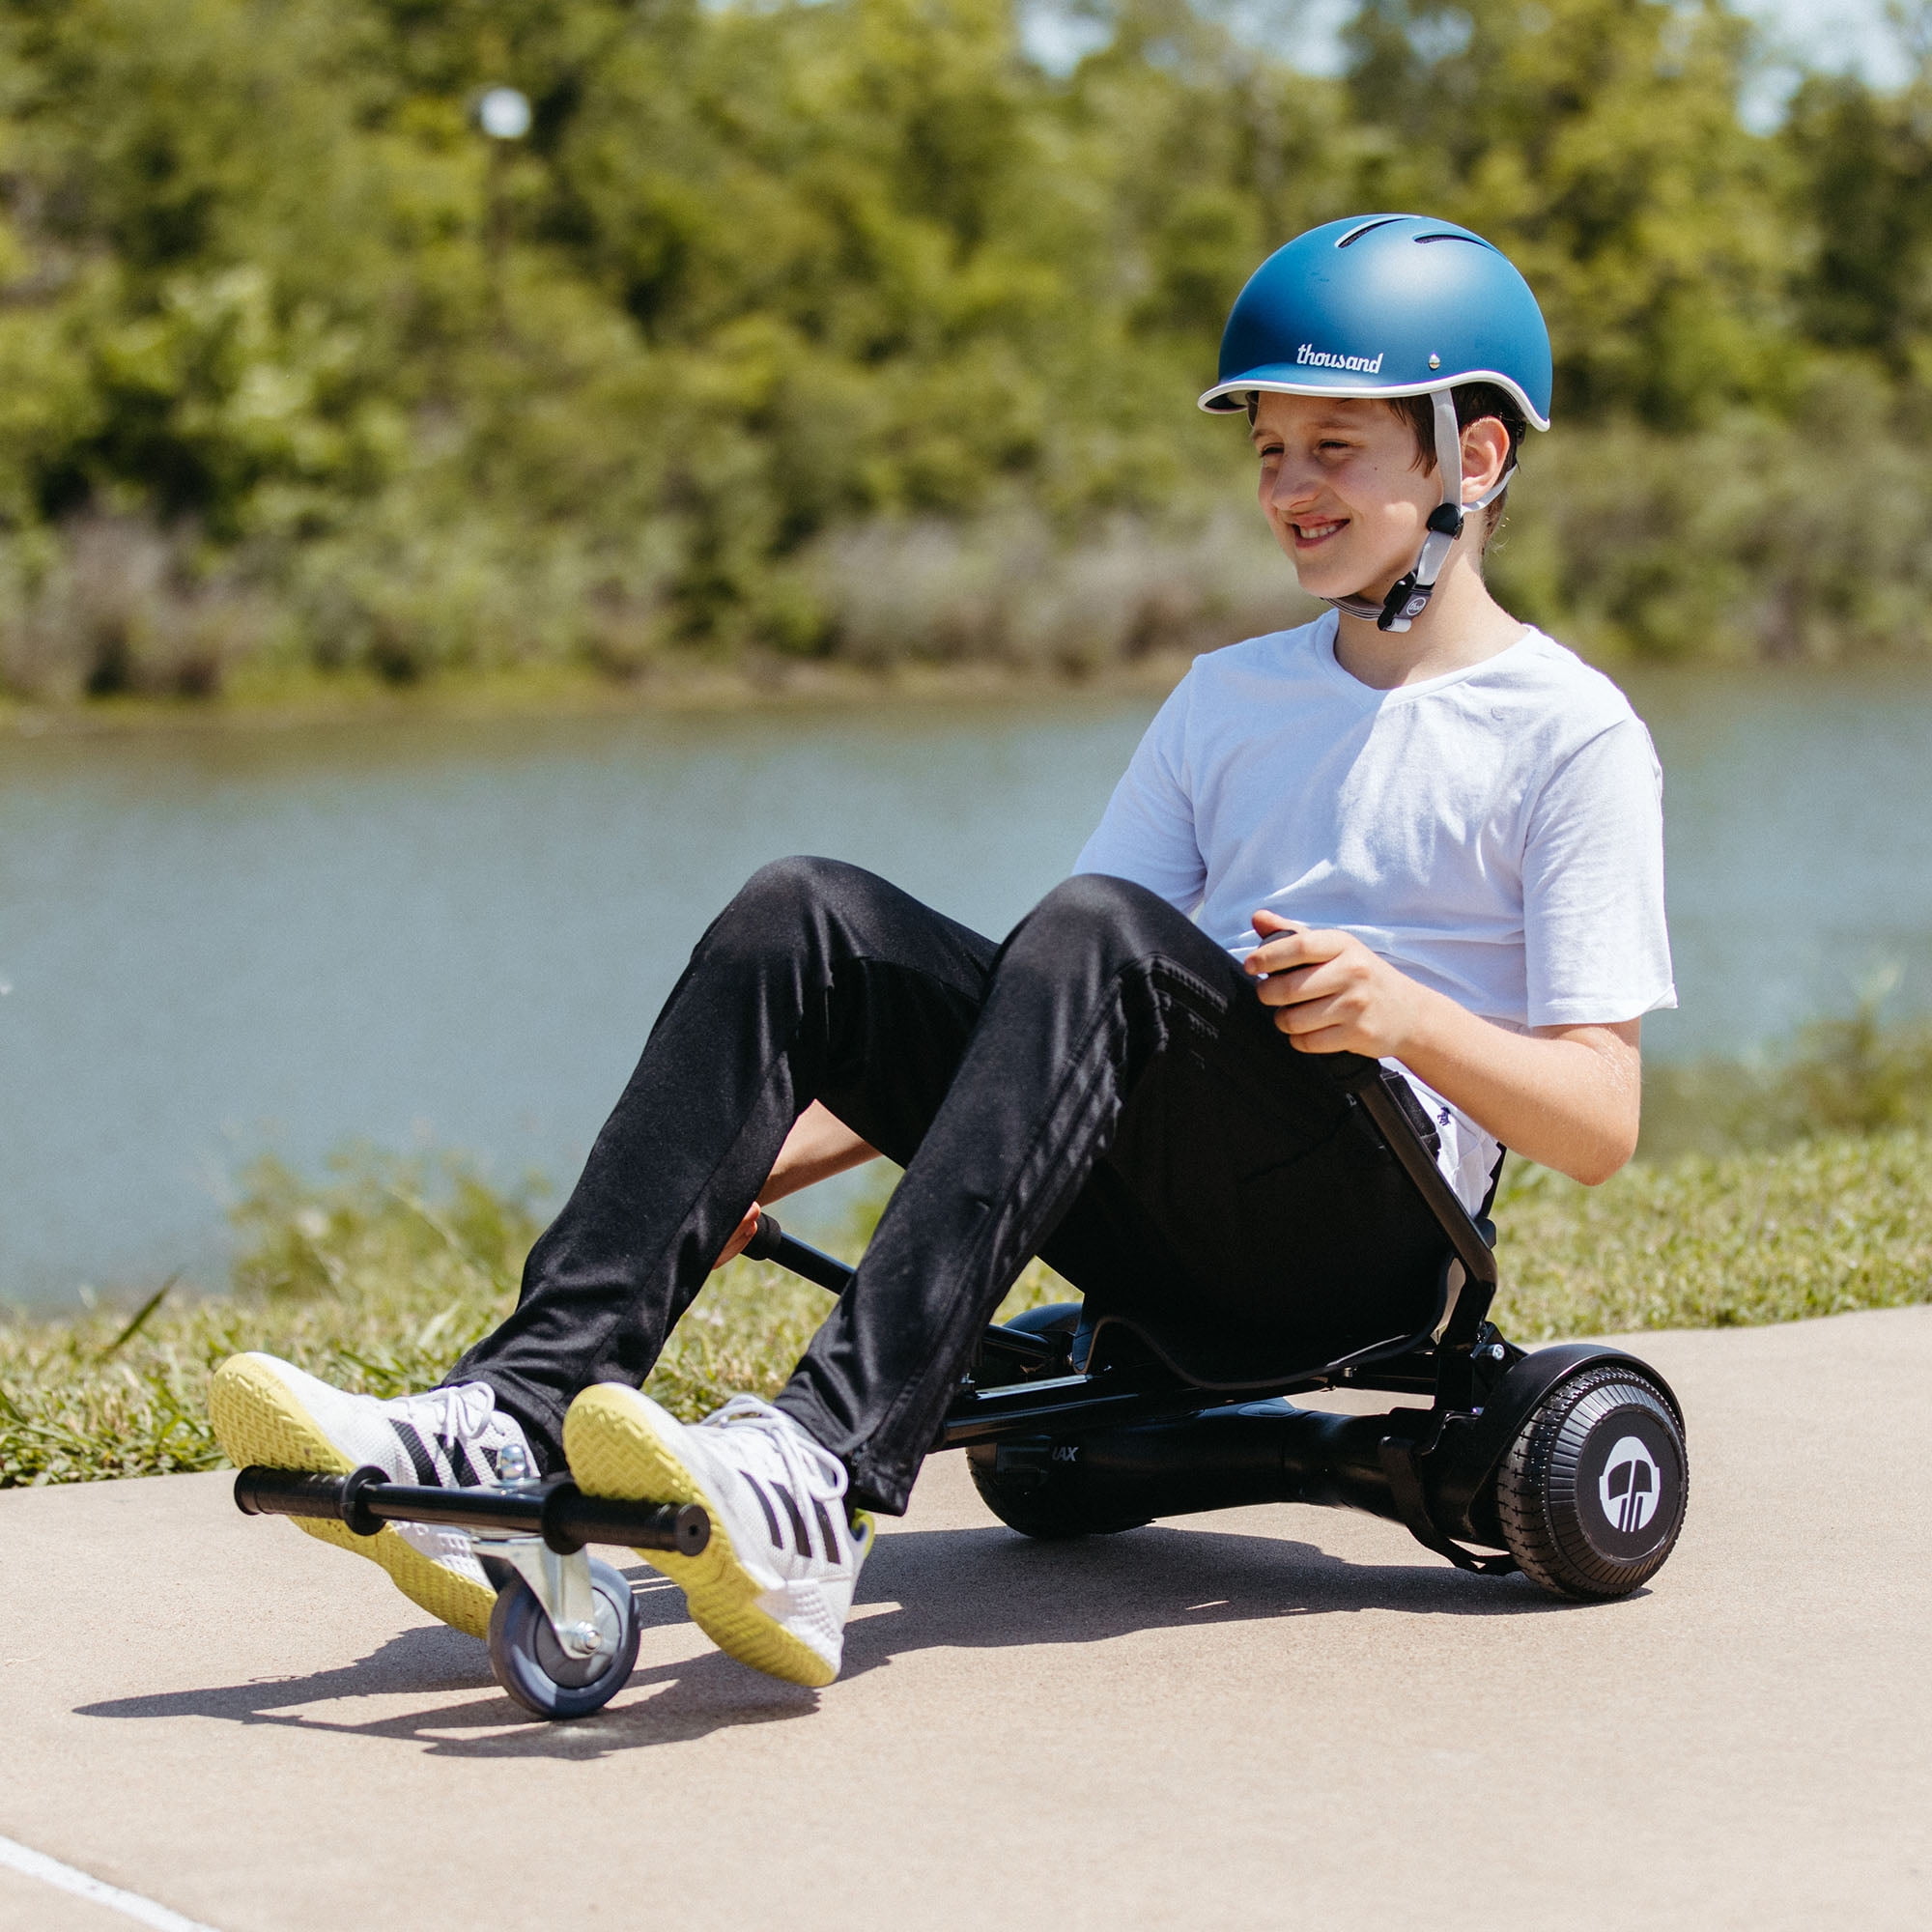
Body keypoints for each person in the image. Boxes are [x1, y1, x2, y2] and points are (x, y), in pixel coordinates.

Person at [211, 213, 1674, 1690]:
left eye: (1336, 449)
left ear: (1472, 459)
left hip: (1363, 1244)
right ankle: (511, 1412)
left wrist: (1404, 1016)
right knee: (809, 911)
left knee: (1095, 928)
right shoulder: (1230, 698)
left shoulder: (1569, 735)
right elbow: (1050, 1025)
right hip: (1159, 1221)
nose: (1290, 489)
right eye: (1270, 450)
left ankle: (814, 1475)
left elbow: (1600, 1122)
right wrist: (750, 1164)